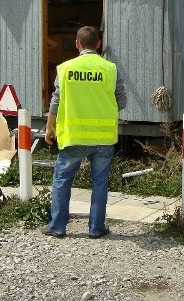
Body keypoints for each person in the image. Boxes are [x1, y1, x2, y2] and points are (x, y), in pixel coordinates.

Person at [42, 26, 127, 239]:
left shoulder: (65, 69)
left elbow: (56, 101)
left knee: (62, 180)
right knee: (100, 182)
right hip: (103, 138)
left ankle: (58, 227)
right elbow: (122, 102)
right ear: (98, 44)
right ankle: (96, 228)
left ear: (77, 44)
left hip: (74, 136)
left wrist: (50, 128)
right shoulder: (110, 69)